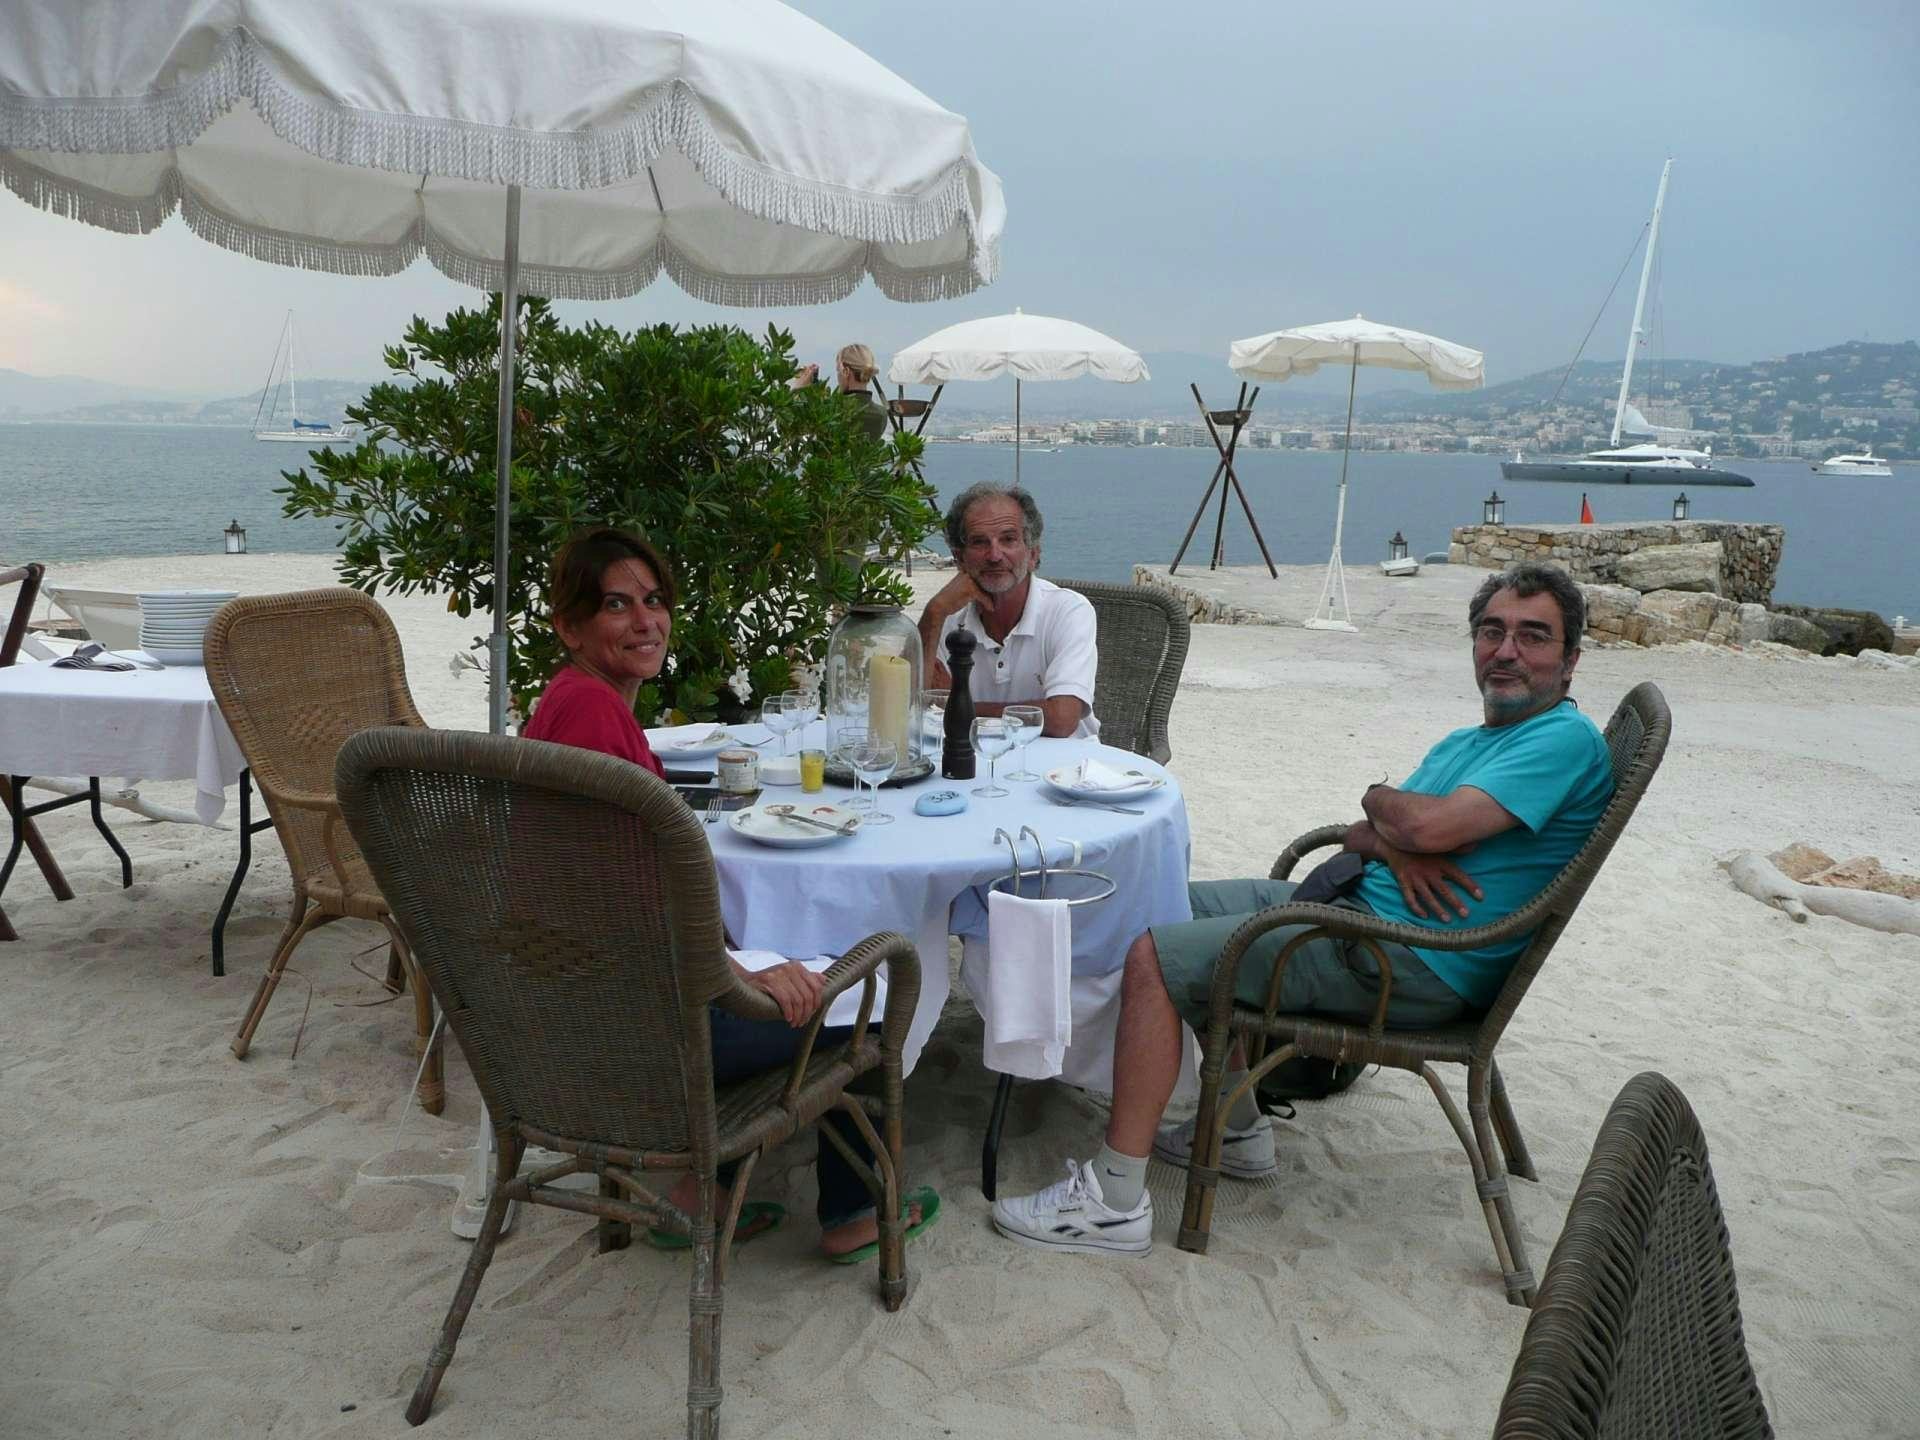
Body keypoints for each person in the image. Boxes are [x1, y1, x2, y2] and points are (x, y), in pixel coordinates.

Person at [989, 562, 1615, 1254]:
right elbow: (1369, 829)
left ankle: (1112, 1201)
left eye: (1533, 636)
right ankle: (1237, 1130)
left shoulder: (1560, 739)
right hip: (1357, 909)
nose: (1506, 651)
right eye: (1492, 632)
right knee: (1156, 906)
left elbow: (1424, 824)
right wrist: (1393, 832)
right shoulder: (1474, 742)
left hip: (1407, 957)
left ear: (1571, 660)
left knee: (1154, 957)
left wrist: (1397, 819)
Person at [523, 528, 935, 1259]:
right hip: (647, 1030)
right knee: (864, 1000)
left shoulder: (573, 700)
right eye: (616, 605)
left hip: (585, 1012)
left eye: (654, 601)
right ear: (569, 625)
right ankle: (855, 1214)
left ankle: (694, 1193)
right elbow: (616, 905)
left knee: (795, 960)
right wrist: (737, 973)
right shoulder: (591, 715)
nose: (645, 620)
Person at [917, 482, 1098, 739]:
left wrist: (955, 706)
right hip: (975, 759)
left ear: (1033, 554)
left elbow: (1061, 719)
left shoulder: (1068, 611)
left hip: (1066, 762)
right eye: (979, 542)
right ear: (959, 559)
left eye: (1008, 539)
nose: (994, 555)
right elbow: (911, 708)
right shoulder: (947, 621)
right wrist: (934, 612)